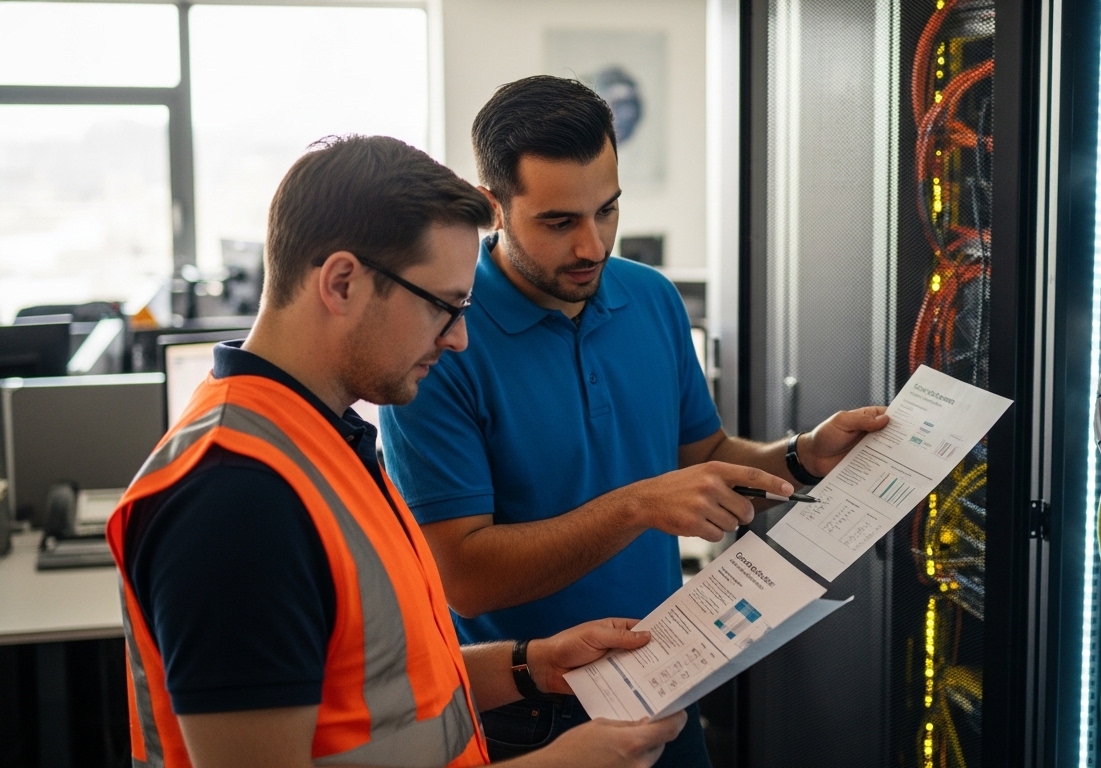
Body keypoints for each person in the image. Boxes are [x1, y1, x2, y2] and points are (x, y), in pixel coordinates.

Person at [106, 135, 685, 768]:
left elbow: (374, 683)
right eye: (445, 306)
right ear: (343, 282)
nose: (461, 338)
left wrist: (530, 666)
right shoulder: (235, 496)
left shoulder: (319, 438)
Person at [379, 76, 888, 766]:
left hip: (667, 679)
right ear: (493, 208)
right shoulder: (440, 338)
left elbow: (699, 453)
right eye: (559, 222)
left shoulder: (651, 298)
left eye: (608, 211)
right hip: (529, 714)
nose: (593, 246)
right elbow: (463, 575)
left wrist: (800, 457)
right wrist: (639, 506)